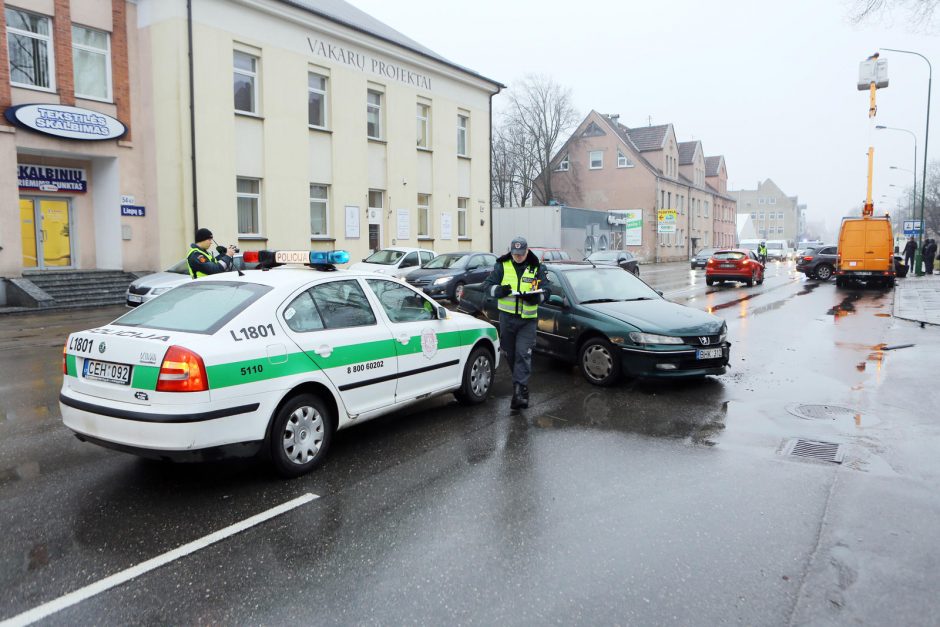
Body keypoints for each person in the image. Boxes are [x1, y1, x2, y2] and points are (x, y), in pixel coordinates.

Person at [482, 236, 547, 410]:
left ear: (527, 251)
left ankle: (520, 392)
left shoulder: (536, 267)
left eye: (521, 254)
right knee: (510, 354)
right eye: (515, 254)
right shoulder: (502, 265)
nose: (518, 257)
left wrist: (536, 297)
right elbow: (487, 286)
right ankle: (520, 384)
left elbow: (547, 291)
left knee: (522, 354)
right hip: (507, 318)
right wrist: (499, 290)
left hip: (527, 320)